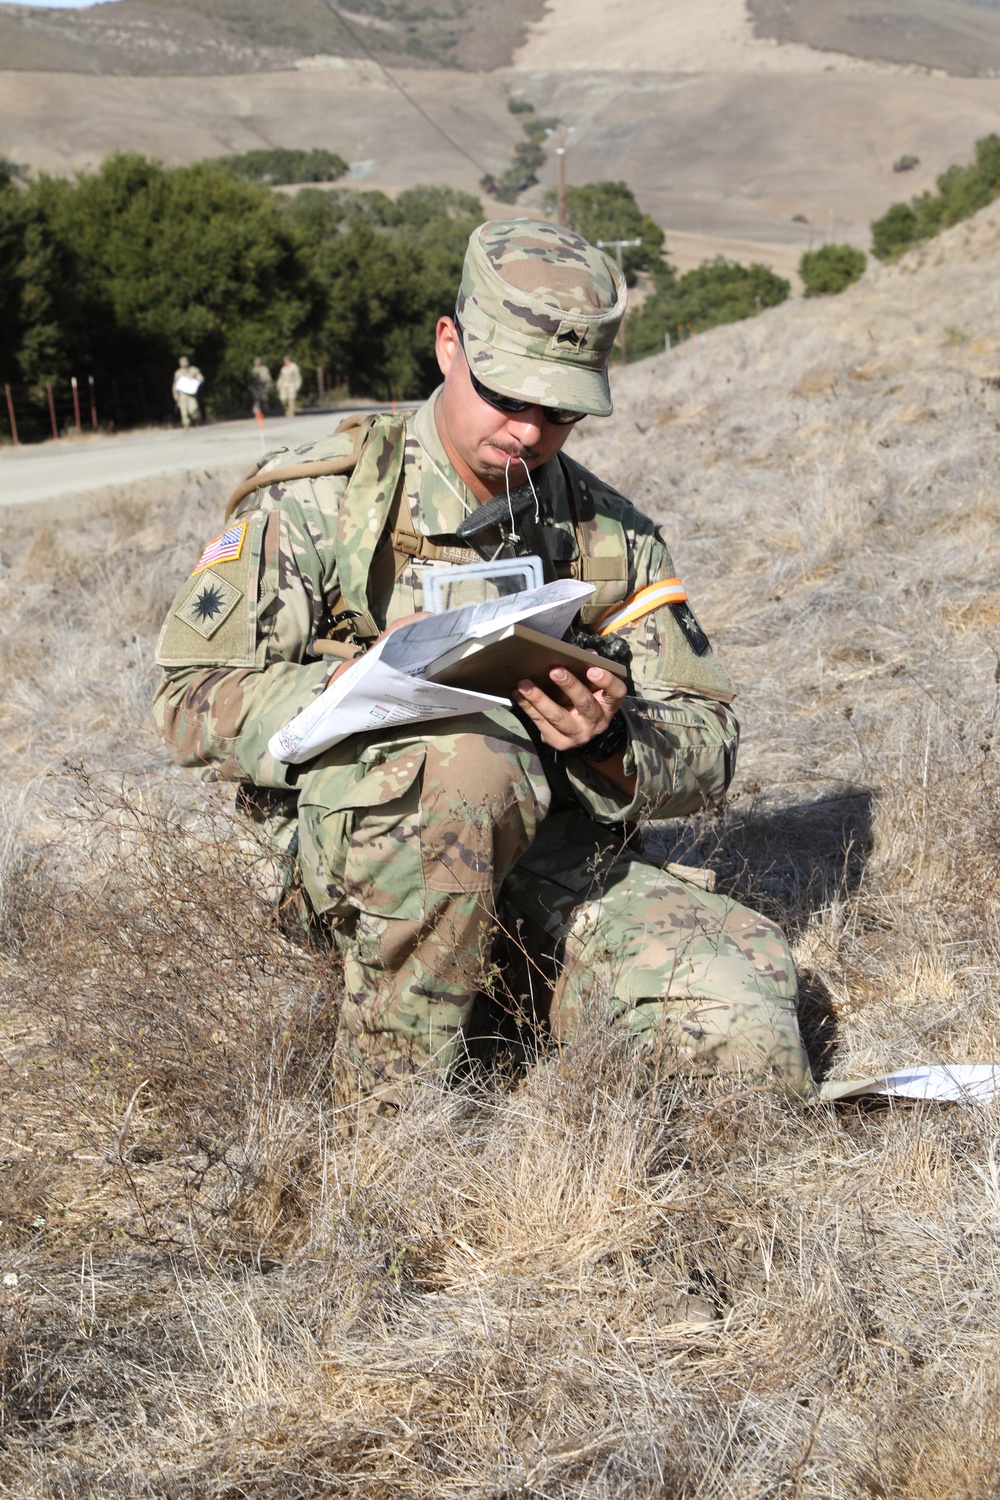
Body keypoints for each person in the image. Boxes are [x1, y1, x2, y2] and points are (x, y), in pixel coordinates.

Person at [154, 219, 815, 1110]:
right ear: (448, 345)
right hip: (365, 852)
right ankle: (391, 1117)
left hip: (554, 859)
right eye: (508, 394)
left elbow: (711, 741)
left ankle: (516, 1000)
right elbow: (187, 699)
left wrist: (610, 739)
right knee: (470, 760)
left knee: (743, 1037)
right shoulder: (320, 500)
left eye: (561, 410)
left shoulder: (609, 536)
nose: (529, 431)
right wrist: (354, 684)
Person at [171, 355, 203, 428]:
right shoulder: (178, 373)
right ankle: (186, 425)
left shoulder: (194, 370)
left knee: (193, 409)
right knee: (183, 411)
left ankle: (196, 421)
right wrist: (175, 394)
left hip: (191, 394)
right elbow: (175, 384)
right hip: (182, 395)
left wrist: (197, 379)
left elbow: (200, 378)